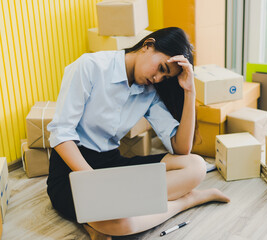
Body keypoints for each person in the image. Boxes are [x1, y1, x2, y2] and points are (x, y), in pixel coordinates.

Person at [46, 27, 230, 239]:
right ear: (147, 45)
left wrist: (190, 91)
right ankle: (186, 200)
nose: (158, 78)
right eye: (161, 68)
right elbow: (61, 133)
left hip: (112, 165)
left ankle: (104, 219)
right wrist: (93, 182)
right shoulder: (90, 66)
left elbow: (181, 148)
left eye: (165, 76)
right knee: (119, 224)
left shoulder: (149, 92)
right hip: (72, 172)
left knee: (195, 165)